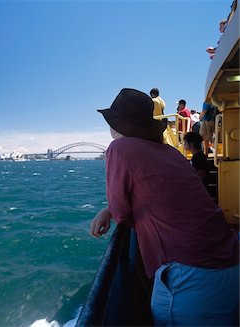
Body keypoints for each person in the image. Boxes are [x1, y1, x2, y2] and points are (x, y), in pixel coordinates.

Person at [89, 88, 239, 326]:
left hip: (191, 276)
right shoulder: (172, 153)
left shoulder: (119, 148)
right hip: (230, 263)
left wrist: (110, 210)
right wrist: (109, 210)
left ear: (116, 126)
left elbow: (122, 213)